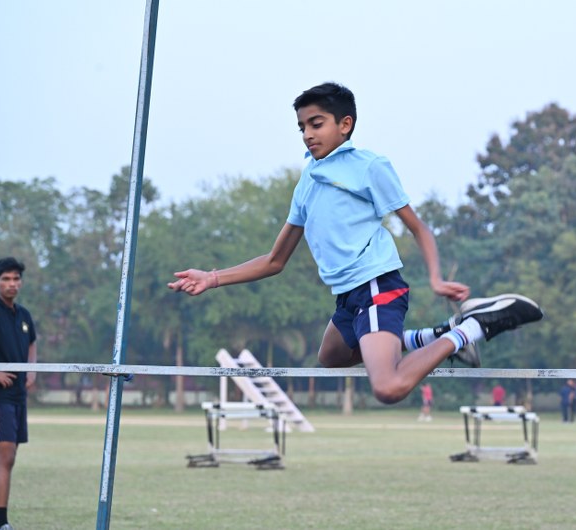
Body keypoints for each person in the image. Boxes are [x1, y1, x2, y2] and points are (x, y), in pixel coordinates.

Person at [168, 82, 543, 405]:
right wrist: (212, 278)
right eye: (301, 127)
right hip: (348, 295)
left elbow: (418, 228)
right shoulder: (308, 182)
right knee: (332, 356)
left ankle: (471, 329)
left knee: (389, 387)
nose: (307, 134)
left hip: (377, 285)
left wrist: (436, 279)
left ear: (345, 125)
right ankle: (434, 336)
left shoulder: (368, 166)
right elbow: (274, 260)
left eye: (316, 124)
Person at [0, 257, 38, 530]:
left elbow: (32, 342)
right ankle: (1, 522)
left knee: (8, 458)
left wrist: (32, 370)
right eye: (6, 279)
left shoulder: (23, 315)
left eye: (16, 279)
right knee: (6, 455)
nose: (12, 284)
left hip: (17, 398)